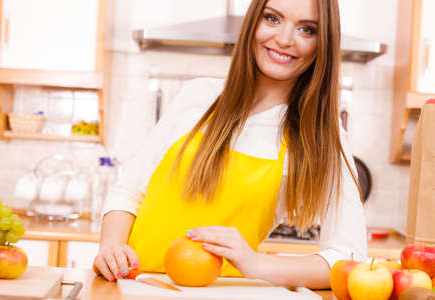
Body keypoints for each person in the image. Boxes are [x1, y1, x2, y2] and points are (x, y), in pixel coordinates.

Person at [93, 0, 367, 289]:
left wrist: (257, 263)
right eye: (272, 19)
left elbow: (348, 257)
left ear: (323, 42)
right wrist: (111, 247)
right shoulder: (198, 96)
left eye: (307, 29)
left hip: (222, 293)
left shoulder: (320, 134)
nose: (285, 40)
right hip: (131, 286)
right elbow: (128, 191)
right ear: (253, 22)